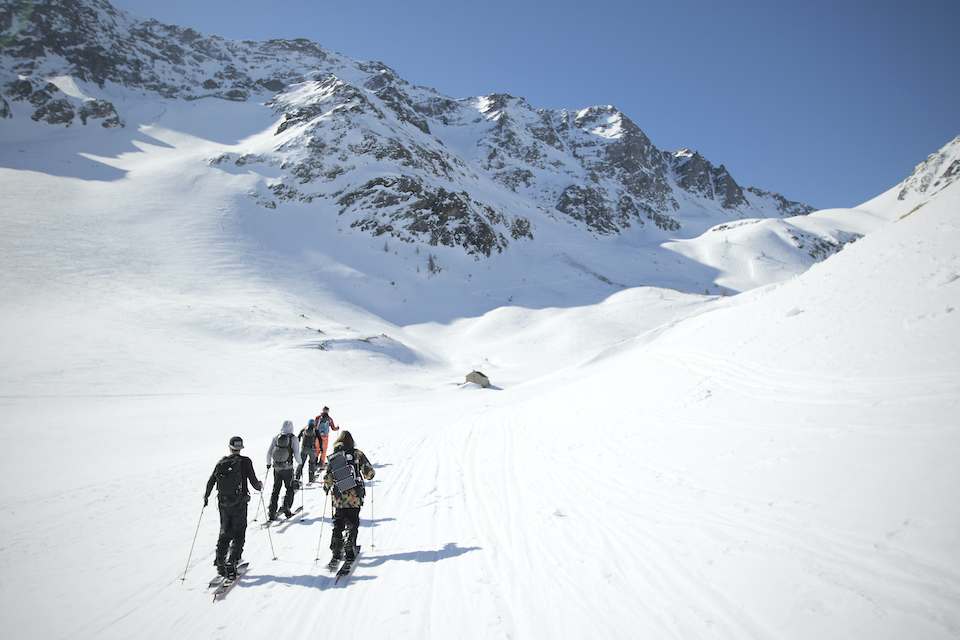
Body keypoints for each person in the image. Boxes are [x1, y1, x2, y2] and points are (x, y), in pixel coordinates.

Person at [203, 436, 262, 579]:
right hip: (239, 503)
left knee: (224, 532)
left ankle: (220, 562)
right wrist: (259, 486)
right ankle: (232, 561)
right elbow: (254, 482)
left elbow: (211, 481)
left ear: (230, 447)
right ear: (241, 448)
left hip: (223, 504)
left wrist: (206, 496)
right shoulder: (245, 462)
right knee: (239, 532)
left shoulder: (221, 463)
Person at [323, 430, 375, 571]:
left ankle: (336, 549)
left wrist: (327, 488)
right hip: (354, 495)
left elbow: (328, 478)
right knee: (352, 520)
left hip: (339, 496)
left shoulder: (334, 456)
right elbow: (369, 474)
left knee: (338, 522)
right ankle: (349, 543)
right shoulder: (357, 454)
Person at [265, 420, 302, 521]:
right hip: (288, 468)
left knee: (276, 489)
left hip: (277, 468)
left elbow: (269, 452)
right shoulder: (293, 438)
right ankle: (286, 507)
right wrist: (300, 462)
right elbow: (296, 453)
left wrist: (268, 464)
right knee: (289, 488)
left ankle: (272, 511)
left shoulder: (276, 438)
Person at [296, 418, 321, 483]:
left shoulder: (304, 429)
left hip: (304, 449)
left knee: (301, 463)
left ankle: (297, 477)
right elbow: (320, 440)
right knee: (312, 463)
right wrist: (321, 448)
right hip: (312, 449)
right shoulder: (315, 430)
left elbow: (298, 437)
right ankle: (311, 478)